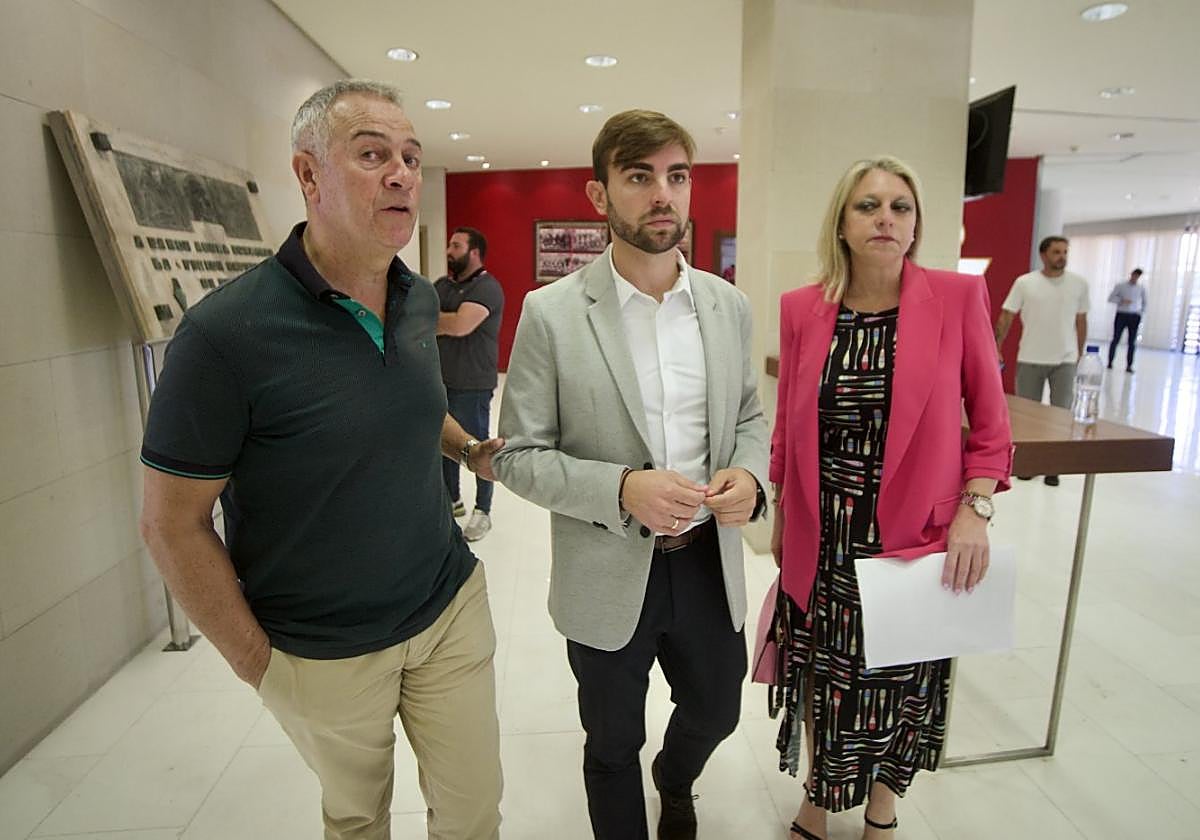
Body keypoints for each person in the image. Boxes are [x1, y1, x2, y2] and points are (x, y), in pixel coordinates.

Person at [138, 79, 503, 840]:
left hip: (448, 607)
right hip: (323, 651)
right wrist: (256, 661)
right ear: (308, 175)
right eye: (373, 154)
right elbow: (172, 524)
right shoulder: (223, 337)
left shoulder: (411, 301)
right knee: (357, 821)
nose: (402, 172)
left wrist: (467, 447)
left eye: (411, 155)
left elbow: (401, 400)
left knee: (473, 815)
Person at [492, 109, 769, 840]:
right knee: (611, 742)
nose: (662, 195)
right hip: (606, 567)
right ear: (599, 195)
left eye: (677, 176)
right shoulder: (551, 314)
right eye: (639, 177)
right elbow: (518, 454)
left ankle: (675, 781)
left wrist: (749, 473)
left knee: (717, 709)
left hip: (708, 562)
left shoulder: (726, 306)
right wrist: (620, 488)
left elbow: (749, 418)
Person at [768, 157, 1012, 840]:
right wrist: (783, 517)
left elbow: (991, 430)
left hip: (914, 535)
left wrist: (976, 508)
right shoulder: (801, 309)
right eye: (868, 206)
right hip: (826, 531)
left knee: (899, 683)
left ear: (916, 225)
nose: (885, 219)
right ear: (842, 224)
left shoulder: (958, 300)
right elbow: (789, 424)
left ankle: (882, 808)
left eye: (900, 207)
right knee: (824, 675)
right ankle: (818, 799)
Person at [994, 235, 1089, 486]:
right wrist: (997, 346)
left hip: (1065, 359)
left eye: (1065, 252)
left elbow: (1081, 321)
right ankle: (1027, 463)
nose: (1062, 257)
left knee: (1061, 415)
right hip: (1031, 357)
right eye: (1057, 252)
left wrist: (1080, 354)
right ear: (1044, 255)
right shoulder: (1025, 283)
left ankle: (1054, 467)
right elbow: (1006, 315)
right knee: (1026, 418)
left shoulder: (1079, 284)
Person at [436, 226, 505, 540]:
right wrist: (440, 321)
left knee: (478, 447)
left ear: (474, 252)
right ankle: (453, 501)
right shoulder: (442, 285)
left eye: (456, 245)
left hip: (473, 383)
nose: (450, 250)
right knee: (445, 445)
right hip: (441, 380)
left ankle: (483, 511)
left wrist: (437, 321)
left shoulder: (488, 288)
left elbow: (461, 325)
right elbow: (416, 317)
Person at [1108, 267, 1146, 372]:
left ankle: (1129, 365)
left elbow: (1144, 302)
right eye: (1134, 275)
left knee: (1132, 342)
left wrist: (1140, 313)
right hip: (1122, 314)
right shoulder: (1121, 286)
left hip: (1134, 316)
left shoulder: (1141, 288)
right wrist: (1121, 301)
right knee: (1116, 339)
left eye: (1138, 276)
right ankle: (1110, 362)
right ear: (1131, 274)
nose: (1135, 277)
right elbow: (1110, 298)